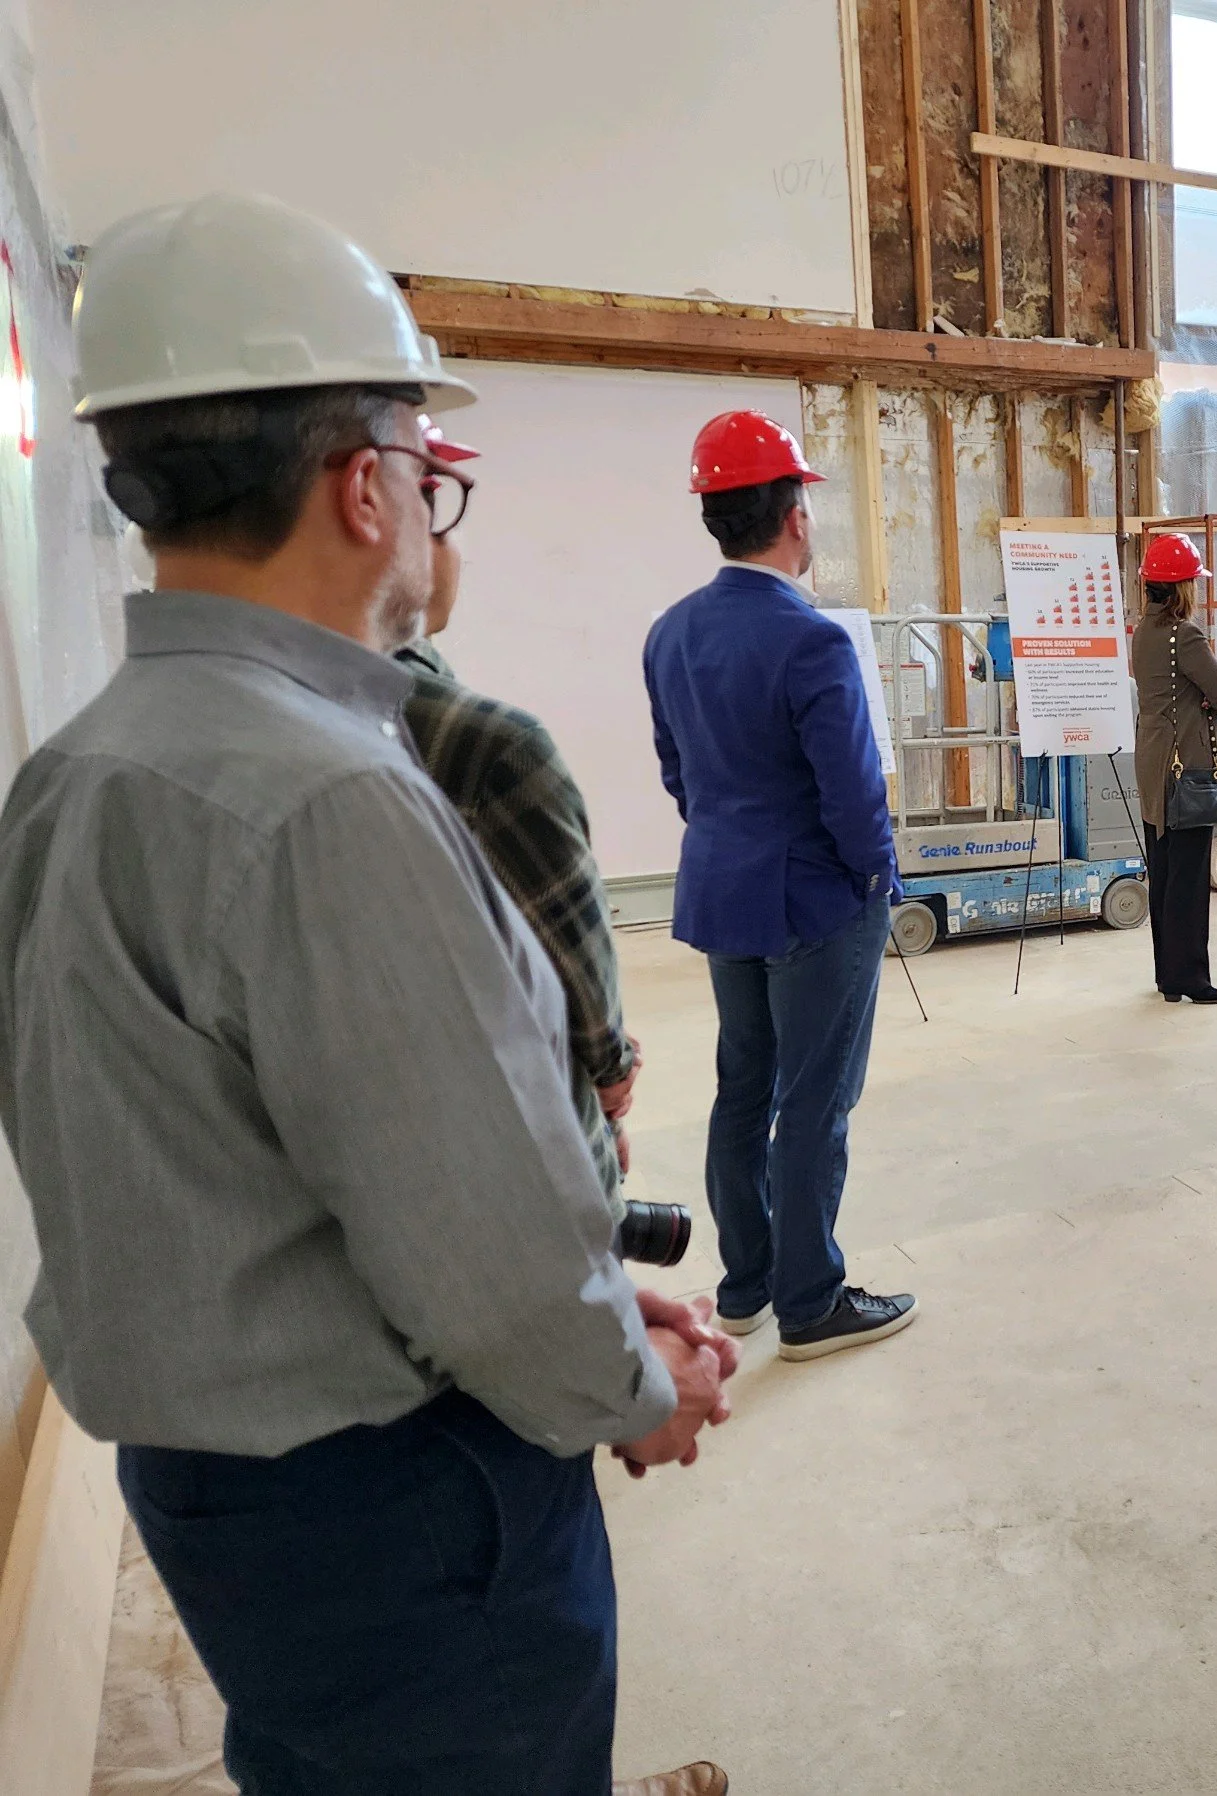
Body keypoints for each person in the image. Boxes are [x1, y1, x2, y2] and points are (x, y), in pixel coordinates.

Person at [0, 192, 732, 1796]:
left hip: (225, 1494)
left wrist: (594, 1300)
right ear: (363, 486)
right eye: (430, 472)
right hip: (404, 1509)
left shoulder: (75, 776)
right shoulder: (330, 799)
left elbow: (227, 1191)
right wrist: (626, 1381)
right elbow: (483, 1261)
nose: (431, 509)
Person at [645, 409, 916, 1361]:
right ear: (796, 515)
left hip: (725, 894)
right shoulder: (813, 640)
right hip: (815, 902)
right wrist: (876, 874)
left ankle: (747, 1287)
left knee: (742, 1090)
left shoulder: (670, 632)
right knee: (814, 1100)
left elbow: (679, 775)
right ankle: (811, 1301)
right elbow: (851, 792)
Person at [391, 426, 646, 1216]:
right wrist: (607, 1072)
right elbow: (568, 941)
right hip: (505, 1149)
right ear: (385, 511)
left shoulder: (85, 765)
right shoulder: (483, 746)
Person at [1130, 530, 1217, 1004]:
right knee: (1191, 877)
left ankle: (1167, 975)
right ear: (1183, 587)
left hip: (1153, 762)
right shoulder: (1186, 635)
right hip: (1186, 767)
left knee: (1166, 872)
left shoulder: (1142, 631)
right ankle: (1191, 977)